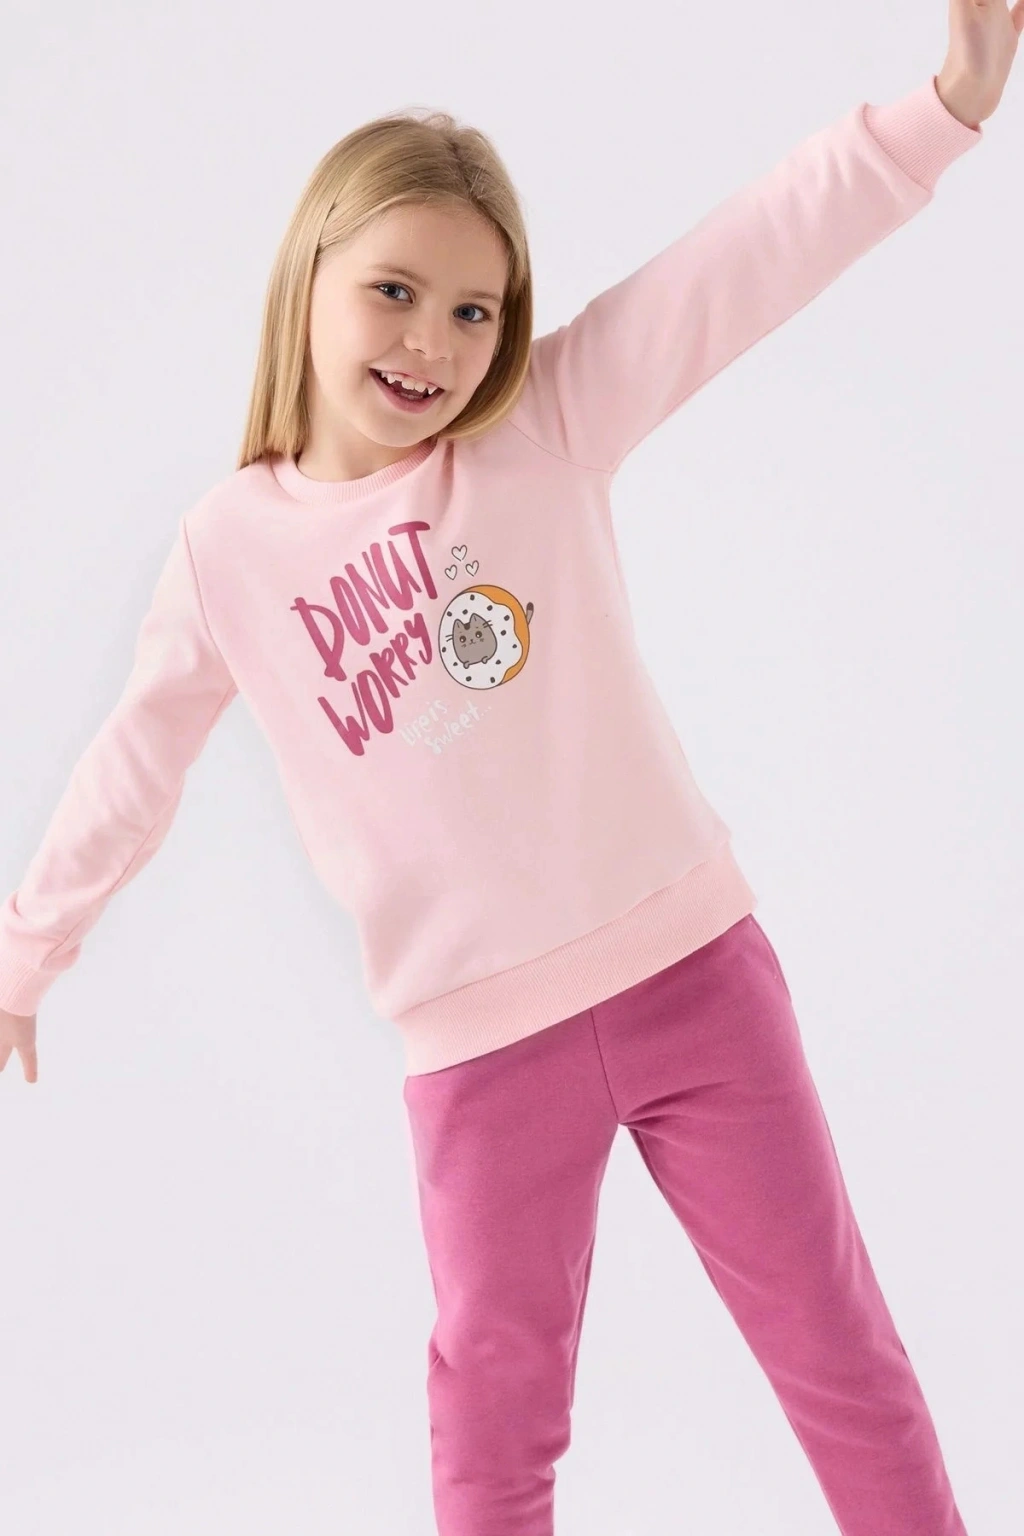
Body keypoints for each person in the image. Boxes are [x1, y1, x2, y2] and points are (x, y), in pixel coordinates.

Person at [2, 5, 1020, 1532]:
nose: (433, 341)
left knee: (835, 1346)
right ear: (309, 279)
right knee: (493, 1415)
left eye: (474, 310)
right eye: (395, 292)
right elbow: (135, 762)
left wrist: (944, 108)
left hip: (697, 982)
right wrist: (26, 952)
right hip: (480, 1058)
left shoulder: (543, 420)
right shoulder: (226, 553)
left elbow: (739, 263)